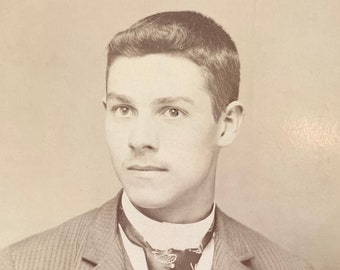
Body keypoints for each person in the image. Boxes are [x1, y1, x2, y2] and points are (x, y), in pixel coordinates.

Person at [0, 11, 313, 270]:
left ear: (227, 124)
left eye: (172, 112)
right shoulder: (21, 263)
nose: (139, 139)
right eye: (124, 109)